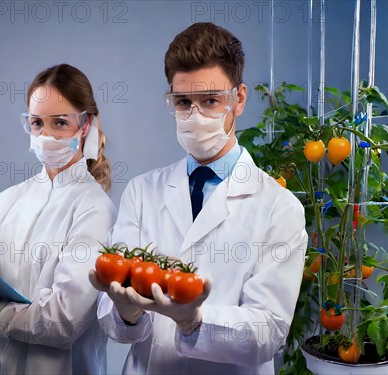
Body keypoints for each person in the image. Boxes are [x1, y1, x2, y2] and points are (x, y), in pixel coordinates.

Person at [89, 22, 308, 374]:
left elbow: (269, 331)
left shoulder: (279, 208)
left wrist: (196, 321)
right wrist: (125, 313)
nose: (194, 116)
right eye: (182, 102)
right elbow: (114, 323)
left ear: (238, 98)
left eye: (210, 100)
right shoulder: (143, 192)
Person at [0, 64, 116, 374]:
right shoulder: (5, 202)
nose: (46, 135)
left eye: (60, 123)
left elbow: (64, 321)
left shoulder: (95, 208)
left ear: (86, 125)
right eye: (37, 123)